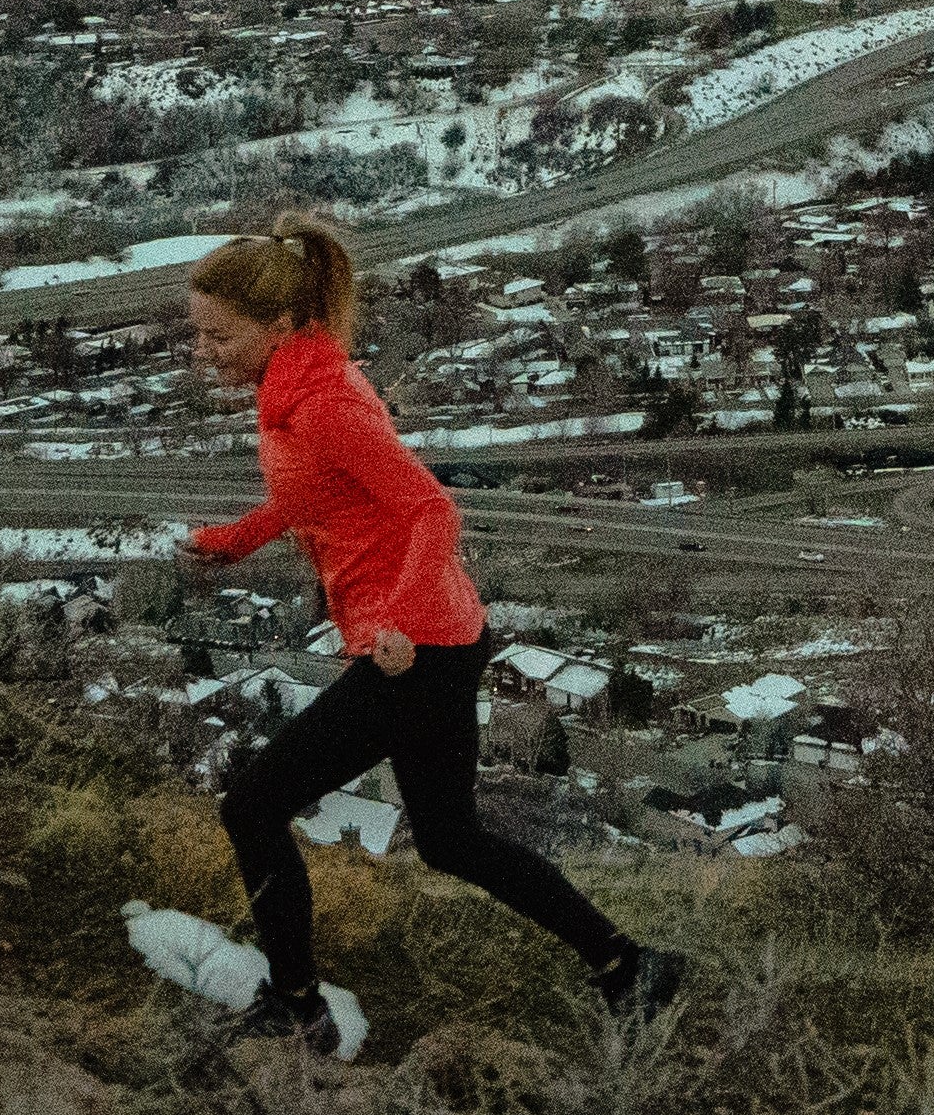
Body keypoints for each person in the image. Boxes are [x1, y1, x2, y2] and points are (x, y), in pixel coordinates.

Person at [175, 216, 683, 1048]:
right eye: (198, 333)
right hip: (439, 636)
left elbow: (432, 509)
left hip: (415, 650)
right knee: (450, 839)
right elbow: (316, 495)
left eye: (217, 335)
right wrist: (236, 539)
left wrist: (393, 618)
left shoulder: (323, 403)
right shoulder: (296, 384)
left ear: (278, 323)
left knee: (253, 806)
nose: (204, 351)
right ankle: (628, 966)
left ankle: (297, 1008)